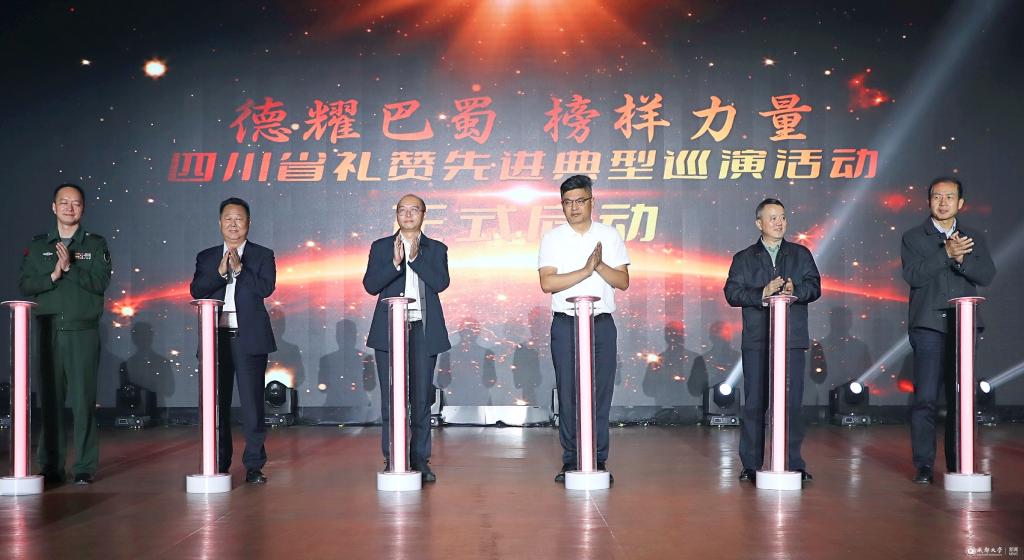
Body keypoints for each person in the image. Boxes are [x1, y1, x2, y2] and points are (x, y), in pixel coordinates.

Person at [901, 177, 995, 484]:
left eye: (949, 197)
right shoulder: (914, 237)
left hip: (963, 325)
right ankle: (924, 465)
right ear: (928, 201)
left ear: (960, 203)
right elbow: (914, 275)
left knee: (961, 397)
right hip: (928, 325)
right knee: (925, 398)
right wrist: (945, 254)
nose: (943, 203)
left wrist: (961, 258)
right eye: (937, 197)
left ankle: (959, 461)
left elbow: (986, 274)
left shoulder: (973, 237)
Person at [538, 175, 630, 483]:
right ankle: (571, 459)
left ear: (592, 202)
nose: (574, 207)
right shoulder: (553, 238)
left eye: (580, 201)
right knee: (568, 393)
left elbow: (622, 281)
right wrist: (585, 270)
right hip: (566, 323)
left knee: (600, 393)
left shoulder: (608, 235)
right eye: (568, 202)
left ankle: (598, 458)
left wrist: (599, 266)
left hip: (600, 324)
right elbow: (548, 283)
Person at [18, 183, 112, 485]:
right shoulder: (38, 246)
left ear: (82, 208)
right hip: (48, 333)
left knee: (84, 403)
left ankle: (84, 466)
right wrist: (53, 275)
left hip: (82, 333)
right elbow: (25, 284)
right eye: (64, 202)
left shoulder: (94, 244)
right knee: (50, 402)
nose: (70, 208)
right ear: (54, 207)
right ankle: (51, 466)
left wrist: (71, 268)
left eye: (76, 203)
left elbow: (100, 283)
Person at [724, 198, 820, 483]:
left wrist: (795, 289)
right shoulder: (744, 258)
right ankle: (751, 464)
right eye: (773, 218)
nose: (779, 223)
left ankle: (793, 462)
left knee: (791, 405)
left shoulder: (800, 254)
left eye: (783, 217)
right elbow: (732, 293)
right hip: (758, 341)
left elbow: (815, 286)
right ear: (759, 223)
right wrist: (762, 293)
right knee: (755, 404)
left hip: (791, 340)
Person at [363, 194, 451, 483]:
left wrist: (414, 259)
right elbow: (370, 285)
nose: (408, 214)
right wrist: (395, 263)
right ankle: (393, 457)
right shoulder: (381, 247)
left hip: (423, 329)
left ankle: (420, 459)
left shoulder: (436, 249)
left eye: (414, 210)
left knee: (421, 399)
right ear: (396, 214)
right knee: (392, 399)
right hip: (389, 330)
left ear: (424, 214)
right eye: (403, 210)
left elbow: (440, 283)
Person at [190, 197, 277, 485]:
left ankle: (254, 465)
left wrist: (240, 270)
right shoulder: (206, 257)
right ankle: (218, 461)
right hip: (215, 338)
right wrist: (219, 273)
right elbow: (197, 290)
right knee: (217, 404)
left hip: (248, 338)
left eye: (239, 218)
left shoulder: (262, 255)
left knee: (252, 405)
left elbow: (266, 288)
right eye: (228, 218)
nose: (233, 224)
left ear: (248, 223)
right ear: (219, 223)